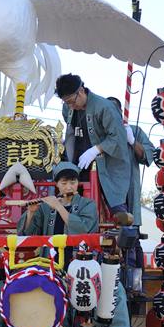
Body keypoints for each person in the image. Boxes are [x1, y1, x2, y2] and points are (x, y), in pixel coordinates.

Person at [54, 74, 131, 223]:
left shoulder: (105, 107)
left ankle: (125, 231)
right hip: (79, 161)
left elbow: (118, 137)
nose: (70, 106)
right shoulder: (67, 108)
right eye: (66, 103)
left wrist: (96, 149)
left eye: (71, 101)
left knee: (115, 203)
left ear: (81, 91)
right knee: (74, 200)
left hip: (107, 163)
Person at [16, 161, 99, 256]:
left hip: (77, 259)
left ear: (78, 182)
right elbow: (28, 235)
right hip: (50, 259)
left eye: (73, 183)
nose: (69, 187)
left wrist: (59, 207)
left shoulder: (88, 204)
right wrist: (31, 212)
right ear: (56, 184)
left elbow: (84, 229)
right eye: (64, 183)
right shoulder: (45, 206)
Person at [106, 96, 155, 228]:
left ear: (121, 112)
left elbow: (149, 154)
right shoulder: (98, 133)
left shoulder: (134, 131)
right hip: (106, 190)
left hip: (129, 191)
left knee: (129, 230)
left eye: (114, 110)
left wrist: (132, 141)